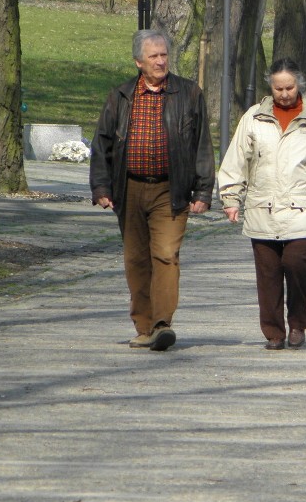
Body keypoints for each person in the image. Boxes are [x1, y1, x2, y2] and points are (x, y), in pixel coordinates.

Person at [90, 29, 215, 351]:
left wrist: (202, 192)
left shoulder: (188, 94)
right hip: (129, 188)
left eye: (164, 55)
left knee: (166, 254)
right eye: (153, 56)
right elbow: (102, 143)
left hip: (170, 190)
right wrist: (101, 186)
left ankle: (162, 325)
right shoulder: (120, 96)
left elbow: (202, 145)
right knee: (136, 260)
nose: (161, 61)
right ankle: (143, 326)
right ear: (138, 62)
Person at [217, 58, 306, 350]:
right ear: (271, 87)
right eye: (278, 88)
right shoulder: (254, 118)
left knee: (296, 263)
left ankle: (298, 321)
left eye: (289, 87)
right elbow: (236, 161)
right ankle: (274, 333)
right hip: (261, 207)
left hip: (300, 208)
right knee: (267, 274)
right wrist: (231, 198)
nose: (284, 94)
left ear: (299, 85)